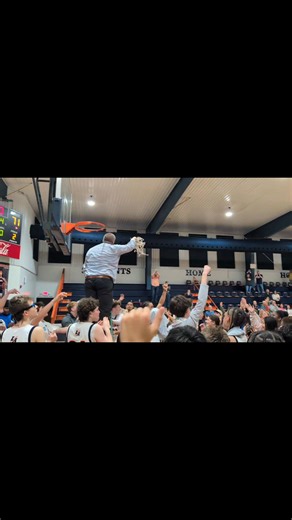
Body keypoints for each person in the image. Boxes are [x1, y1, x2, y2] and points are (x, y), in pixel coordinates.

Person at [83, 233, 138, 320]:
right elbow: (129, 247)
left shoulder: (91, 250)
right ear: (113, 241)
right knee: (105, 308)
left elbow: (85, 266)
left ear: (103, 240)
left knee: (90, 307)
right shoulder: (114, 248)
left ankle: (89, 328)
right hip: (104, 280)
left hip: (89, 280)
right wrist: (134, 239)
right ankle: (103, 330)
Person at [168, 265, 211, 332]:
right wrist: (204, 274)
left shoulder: (169, 329)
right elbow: (202, 300)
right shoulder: (190, 321)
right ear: (188, 310)